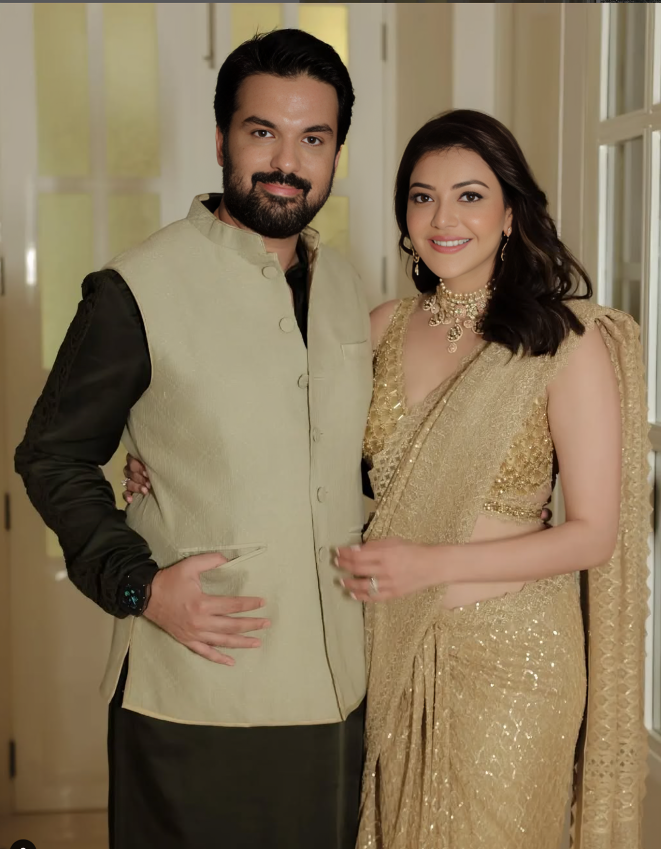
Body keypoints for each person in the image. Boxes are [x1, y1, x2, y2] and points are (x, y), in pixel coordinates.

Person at [14, 30, 372, 849]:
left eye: (312, 139)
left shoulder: (347, 285)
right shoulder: (135, 287)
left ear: (334, 153)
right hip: (196, 695)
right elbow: (51, 453)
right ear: (220, 139)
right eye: (261, 131)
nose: (286, 161)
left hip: (339, 696)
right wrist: (138, 584)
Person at [333, 111, 650, 848]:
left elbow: (592, 535)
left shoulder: (561, 340)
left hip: (517, 662)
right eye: (422, 197)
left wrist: (429, 564)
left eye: (469, 196)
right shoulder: (382, 327)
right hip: (394, 644)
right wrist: (159, 462)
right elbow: (299, 452)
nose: (442, 219)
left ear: (511, 213)